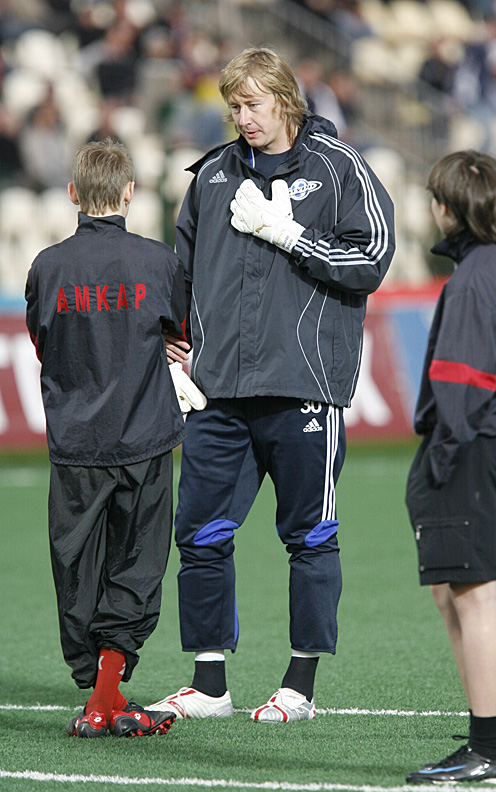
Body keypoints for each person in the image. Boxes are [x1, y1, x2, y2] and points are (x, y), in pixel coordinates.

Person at [149, 46, 395, 723]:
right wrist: (171, 345)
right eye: (233, 106)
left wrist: (293, 237)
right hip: (219, 391)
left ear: (284, 99)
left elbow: (372, 258)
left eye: (252, 104)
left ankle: (300, 687)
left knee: (309, 535)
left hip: (304, 384)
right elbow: (181, 275)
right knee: (199, 534)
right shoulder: (211, 175)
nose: (242, 117)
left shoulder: (340, 167)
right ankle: (209, 685)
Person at [25, 138, 206, 739]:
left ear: (73, 193)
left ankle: (100, 690)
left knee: (75, 569)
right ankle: (108, 691)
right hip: (145, 438)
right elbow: (179, 332)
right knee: (138, 563)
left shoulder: (47, 267)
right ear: (130, 192)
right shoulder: (159, 262)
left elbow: (43, 343)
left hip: (76, 442)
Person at [405, 150, 496, 783]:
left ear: (447, 208)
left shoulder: (476, 277)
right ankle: (483, 738)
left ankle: (488, 747)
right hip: (492, 440)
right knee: (453, 591)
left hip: (470, 444)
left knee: (473, 593)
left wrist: (440, 455)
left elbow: (462, 382)